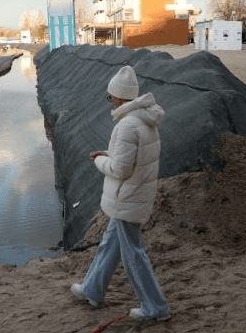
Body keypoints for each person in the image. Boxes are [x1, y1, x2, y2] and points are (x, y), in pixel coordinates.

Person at [70, 65, 170, 322]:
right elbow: (131, 161)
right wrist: (107, 154)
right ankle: (93, 288)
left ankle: (155, 308)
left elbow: (120, 169)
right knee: (109, 244)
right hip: (134, 195)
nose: (110, 101)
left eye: (110, 96)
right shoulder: (144, 121)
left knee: (133, 253)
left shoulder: (127, 126)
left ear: (118, 97)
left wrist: (99, 162)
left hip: (127, 197)